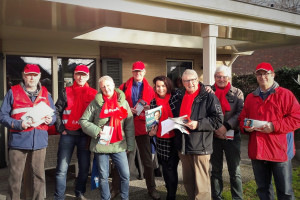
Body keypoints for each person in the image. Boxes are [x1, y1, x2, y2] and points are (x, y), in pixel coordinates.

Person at [238, 62, 300, 200]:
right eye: (259, 74)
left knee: (285, 192)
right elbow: (243, 119)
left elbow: (297, 118)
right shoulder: (250, 97)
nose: (262, 77)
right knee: (263, 190)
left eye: (265, 73)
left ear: (273, 75)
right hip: (258, 151)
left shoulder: (286, 95)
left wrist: (274, 126)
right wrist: (245, 127)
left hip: (279, 151)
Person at [0, 64, 56, 199]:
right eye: (28, 74)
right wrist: (19, 124)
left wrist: (51, 119)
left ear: (39, 77)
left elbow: (54, 116)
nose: (32, 77)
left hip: (39, 141)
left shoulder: (46, 94)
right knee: (15, 177)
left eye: (34, 75)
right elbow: (2, 116)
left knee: (39, 176)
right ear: (23, 76)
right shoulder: (12, 92)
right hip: (19, 140)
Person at [79, 75, 135, 200]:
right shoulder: (95, 103)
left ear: (113, 85)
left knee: (125, 175)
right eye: (103, 86)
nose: (106, 88)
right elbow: (83, 121)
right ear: (100, 88)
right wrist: (98, 131)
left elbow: (129, 125)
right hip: (101, 144)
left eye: (108, 85)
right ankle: (106, 198)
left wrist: (130, 145)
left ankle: (125, 198)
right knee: (103, 176)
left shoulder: (123, 102)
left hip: (119, 144)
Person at [174, 69, 223, 200]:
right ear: (182, 83)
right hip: (184, 145)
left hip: (200, 146)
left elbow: (218, 120)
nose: (190, 83)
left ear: (197, 79)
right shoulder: (179, 95)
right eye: (186, 81)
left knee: (202, 187)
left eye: (192, 80)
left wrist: (198, 124)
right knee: (188, 181)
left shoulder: (209, 96)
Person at [116, 61, 160, 200]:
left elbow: (156, 108)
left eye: (140, 71)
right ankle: (116, 189)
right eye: (135, 71)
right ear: (132, 71)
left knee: (147, 160)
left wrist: (150, 110)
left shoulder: (152, 89)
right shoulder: (123, 87)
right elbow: (116, 106)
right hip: (126, 126)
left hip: (143, 127)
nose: (137, 73)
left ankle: (151, 189)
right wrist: (128, 109)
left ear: (144, 72)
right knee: (120, 157)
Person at [54, 65, 98, 200]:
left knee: (84, 167)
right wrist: (61, 129)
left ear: (88, 76)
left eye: (83, 75)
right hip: (68, 135)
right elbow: (57, 111)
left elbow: (98, 115)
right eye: (78, 74)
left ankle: (79, 192)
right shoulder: (65, 91)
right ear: (74, 75)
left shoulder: (93, 93)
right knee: (62, 169)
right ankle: (59, 196)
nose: (80, 77)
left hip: (84, 136)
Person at [210, 66, 244, 200]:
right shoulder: (209, 92)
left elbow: (241, 112)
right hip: (214, 137)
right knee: (216, 170)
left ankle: (237, 197)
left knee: (235, 171)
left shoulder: (237, 93)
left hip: (232, 136)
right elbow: (205, 112)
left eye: (224, 76)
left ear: (229, 78)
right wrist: (216, 129)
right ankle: (217, 197)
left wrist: (226, 126)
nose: (221, 79)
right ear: (214, 78)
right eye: (218, 76)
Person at [149, 76, 181, 200]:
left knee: (171, 167)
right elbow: (152, 125)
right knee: (166, 168)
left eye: (163, 85)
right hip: (161, 139)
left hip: (175, 137)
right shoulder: (153, 102)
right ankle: (170, 191)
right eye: (158, 86)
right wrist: (151, 132)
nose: (161, 88)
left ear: (168, 86)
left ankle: (171, 195)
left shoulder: (175, 97)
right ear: (155, 88)